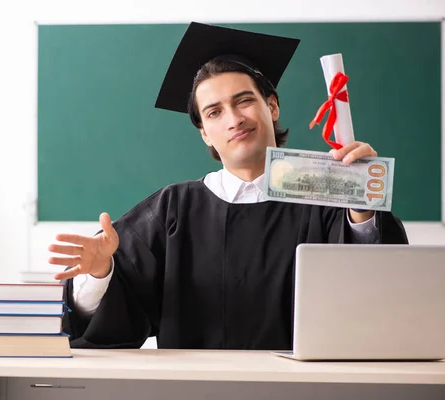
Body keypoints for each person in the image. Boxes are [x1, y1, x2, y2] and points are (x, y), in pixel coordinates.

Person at [49, 22, 408, 350]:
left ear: (272, 106)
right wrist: (100, 272)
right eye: (214, 112)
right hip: (196, 389)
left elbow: (377, 299)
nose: (234, 119)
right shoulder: (172, 210)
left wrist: (361, 202)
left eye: (245, 101)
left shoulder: (326, 199)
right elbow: (110, 321)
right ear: (204, 132)